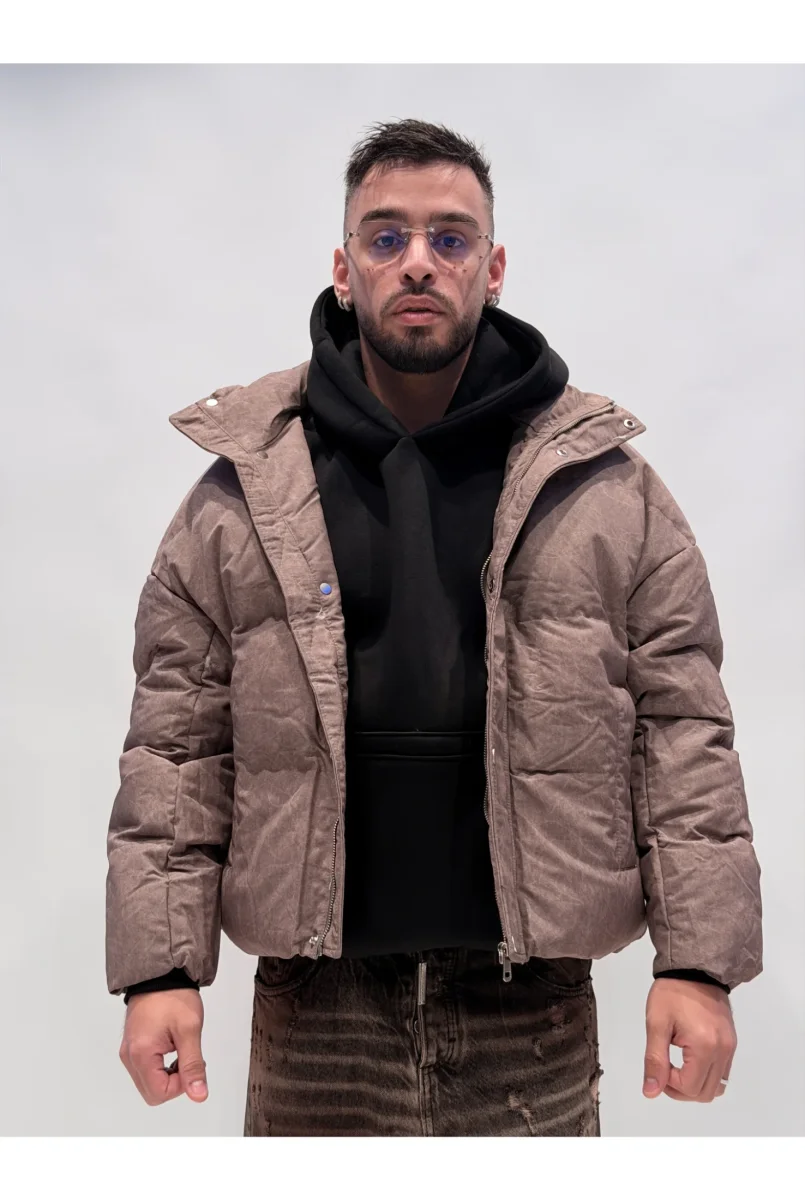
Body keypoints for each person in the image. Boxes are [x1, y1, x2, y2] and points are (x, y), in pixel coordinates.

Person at [107, 118, 763, 1136]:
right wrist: (160, 968)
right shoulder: (244, 489)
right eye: (386, 236)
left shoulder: (604, 488)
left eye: (449, 238)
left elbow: (682, 731)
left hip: (532, 1003)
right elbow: (176, 741)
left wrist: (698, 963)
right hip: (314, 1009)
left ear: (492, 269)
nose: (418, 261)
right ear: (343, 269)